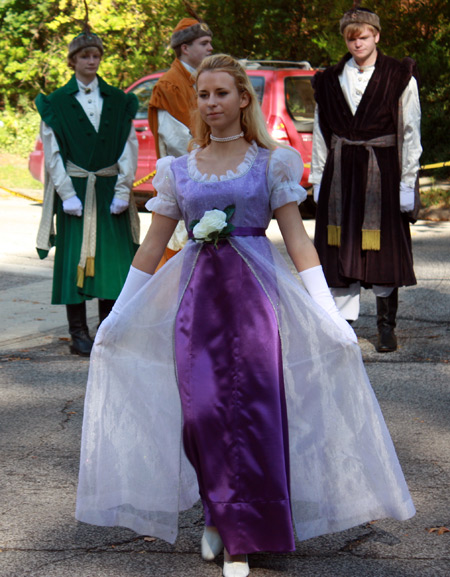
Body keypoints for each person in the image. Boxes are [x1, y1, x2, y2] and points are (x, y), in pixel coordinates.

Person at [76, 55, 415, 577]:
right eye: (203, 95)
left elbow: (299, 242)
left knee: (253, 417)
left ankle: (241, 536)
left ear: (243, 100)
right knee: (203, 417)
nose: (210, 103)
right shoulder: (178, 170)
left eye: (220, 94)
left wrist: (330, 316)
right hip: (196, 312)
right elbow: (151, 249)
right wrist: (118, 316)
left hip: (256, 309)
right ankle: (218, 519)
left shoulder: (271, 163)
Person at [310, 5, 422, 353]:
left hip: (383, 173)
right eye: (351, 38)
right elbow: (320, 132)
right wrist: (318, 178)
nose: (357, 43)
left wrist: (408, 182)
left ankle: (386, 327)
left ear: (376, 36)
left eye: (363, 36)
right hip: (340, 174)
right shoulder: (328, 79)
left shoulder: (399, 75)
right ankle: (344, 326)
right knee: (339, 248)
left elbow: (410, 129)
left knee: (382, 251)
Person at [35, 26, 140, 356]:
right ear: (72, 61)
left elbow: (128, 146)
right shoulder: (55, 103)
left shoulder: (120, 101)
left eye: (96, 56)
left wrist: (124, 189)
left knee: (112, 260)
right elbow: (52, 154)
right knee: (73, 262)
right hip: (77, 190)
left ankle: (107, 330)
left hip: (110, 188)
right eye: (85, 56)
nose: (91, 61)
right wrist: (66, 194)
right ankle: (78, 334)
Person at [148, 14, 213, 267]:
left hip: (205, 179)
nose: (210, 48)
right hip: (182, 183)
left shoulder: (202, 80)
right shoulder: (169, 85)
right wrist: (215, 160)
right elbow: (176, 142)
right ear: (185, 48)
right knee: (178, 264)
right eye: (204, 43)